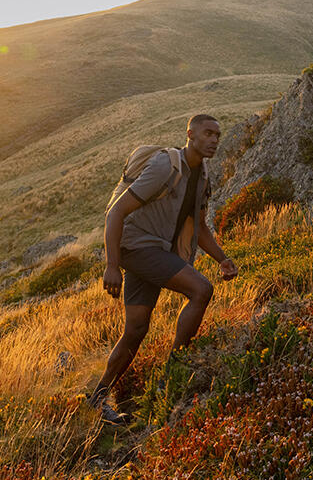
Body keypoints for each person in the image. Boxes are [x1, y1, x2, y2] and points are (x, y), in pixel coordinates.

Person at [88, 114, 237, 423]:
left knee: (137, 329)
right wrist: (112, 266)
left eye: (218, 135)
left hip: (155, 250)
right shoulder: (164, 166)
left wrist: (221, 258)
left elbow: (200, 227)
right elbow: (115, 213)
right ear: (190, 135)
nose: (213, 140)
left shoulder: (203, 176)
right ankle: (172, 375)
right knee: (201, 289)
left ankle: (97, 400)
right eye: (208, 133)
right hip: (136, 247)